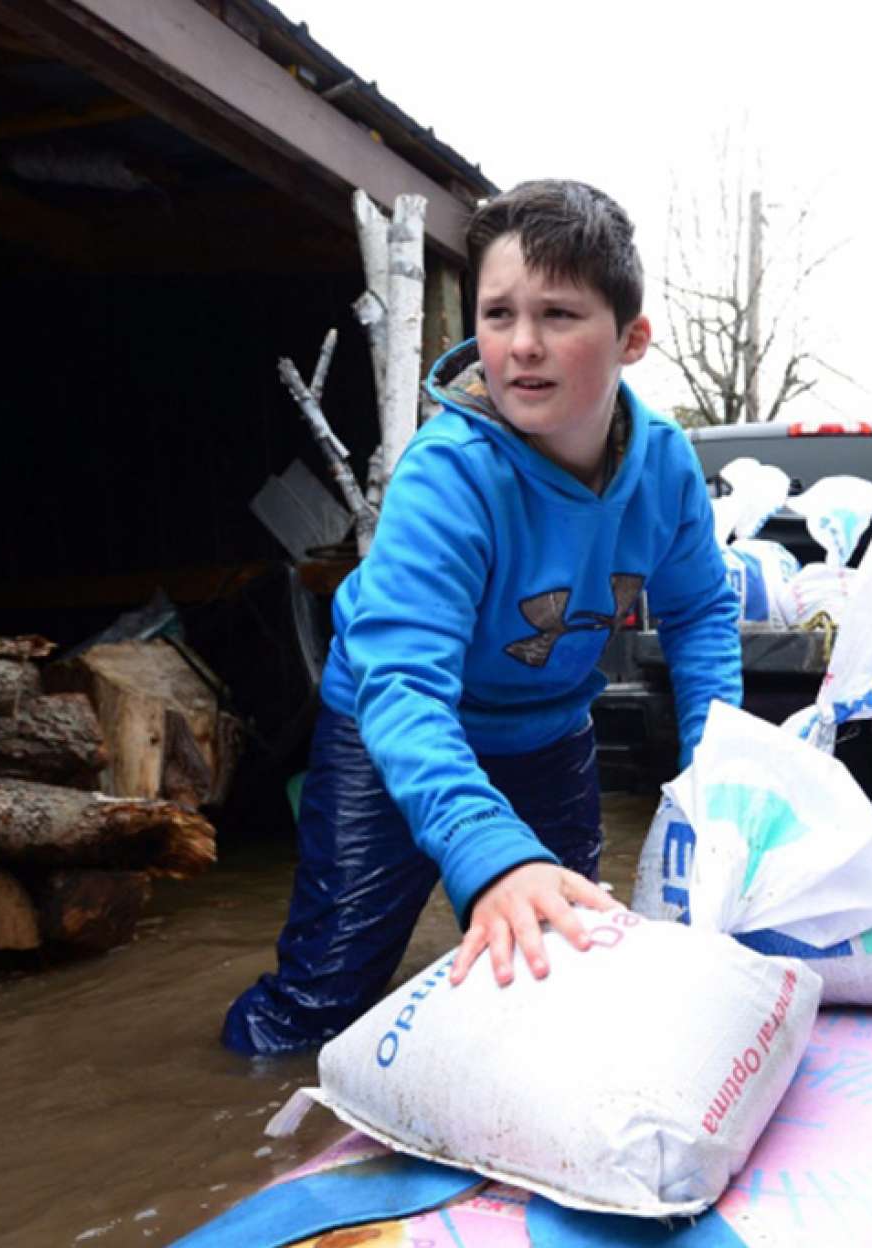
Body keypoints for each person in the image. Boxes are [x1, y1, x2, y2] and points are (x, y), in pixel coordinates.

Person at [222, 180, 742, 1056]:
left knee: (569, 965)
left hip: (547, 733)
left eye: (560, 315)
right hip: (392, 731)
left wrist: (715, 776)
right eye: (498, 315)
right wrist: (488, 852)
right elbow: (401, 686)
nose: (523, 346)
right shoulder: (448, 476)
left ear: (632, 338)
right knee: (322, 1004)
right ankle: (240, 1126)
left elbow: (699, 616)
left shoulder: (667, 465)